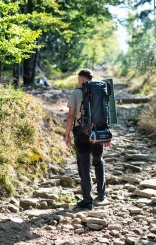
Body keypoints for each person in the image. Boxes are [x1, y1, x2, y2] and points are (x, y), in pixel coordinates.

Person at [65, 69, 106, 210]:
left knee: (84, 166)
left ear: (82, 79)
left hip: (81, 133)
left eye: (78, 79)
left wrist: (67, 134)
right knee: (98, 162)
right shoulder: (100, 91)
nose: (78, 82)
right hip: (98, 132)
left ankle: (87, 200)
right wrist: (106, 134)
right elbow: (106, 114)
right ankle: (101, 194)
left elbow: (71, 115)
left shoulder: (76, 93)